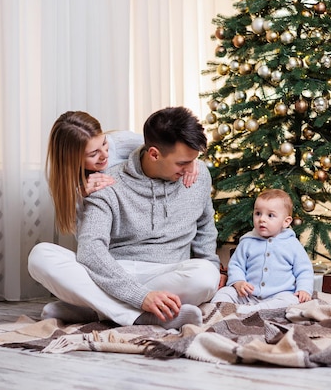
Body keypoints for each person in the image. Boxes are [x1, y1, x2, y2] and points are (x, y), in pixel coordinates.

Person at [28, 106, 222, 329]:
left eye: (193, 159)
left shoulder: (196, 174)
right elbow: (91, 250)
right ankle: (139, 315)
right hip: (114, 270)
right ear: (154, 154)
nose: (190, 168)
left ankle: (93, 309)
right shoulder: (103, 183)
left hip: (167, 273)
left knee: (206, 275)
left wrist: (212, 266)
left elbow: (206, 227)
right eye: (182, 163)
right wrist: (141, 297)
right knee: (40, 256)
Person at [45, 111, 197, 236]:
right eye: (93, 154)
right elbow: (82, 234)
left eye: (104, 143)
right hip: (108, 238)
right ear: (71, 159)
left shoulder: (121, 142)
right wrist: (81, 196)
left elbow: (164, 149)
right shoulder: (68, 183)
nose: (105, 154)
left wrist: (188, 161)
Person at [211, 188, 314, 314]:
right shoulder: (247, 242)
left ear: (286, 222)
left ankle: (253, 311)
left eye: (270, 215)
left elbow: (304, 270)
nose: (262, 219)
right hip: (248, 295)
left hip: (279, 294)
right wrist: (238, 282)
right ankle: (216, 310)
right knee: (225, 292)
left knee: (291, 301)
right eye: (258, 213)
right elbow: (236, 265)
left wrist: (304, 289)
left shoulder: (292, 244)